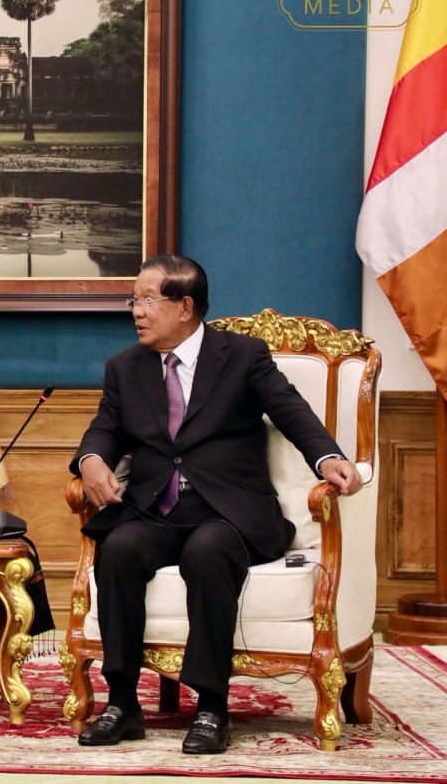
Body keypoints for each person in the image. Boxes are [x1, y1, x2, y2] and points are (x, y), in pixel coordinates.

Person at [71, 255, 361, 755]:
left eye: (147, 300)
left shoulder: (242, 356)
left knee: (206, 553)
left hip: (229, 512)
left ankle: (211, 708)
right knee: (118, 550)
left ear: (185, 307)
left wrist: (327, 457)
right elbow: (105, 429)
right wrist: (92, 460)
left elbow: (290, 410)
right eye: (133, 300)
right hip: (157, 510)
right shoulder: (125, 366)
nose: (136, 311)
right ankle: (122, 704)